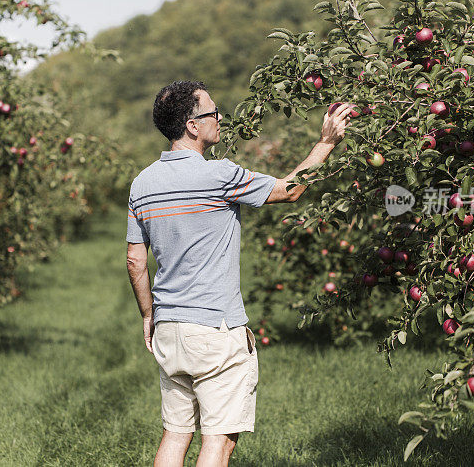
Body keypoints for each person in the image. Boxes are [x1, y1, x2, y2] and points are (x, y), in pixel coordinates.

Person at [125, 80, 352, 466]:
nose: (220, 118)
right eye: (213, 112)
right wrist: (327, 142)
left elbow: (135, 260)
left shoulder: (142, 184)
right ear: (193, 125)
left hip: (170, 329)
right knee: (219, 441)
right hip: (215, 330)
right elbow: (290, 191)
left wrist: (149, 315)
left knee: (176, 433)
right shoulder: (218, 176)